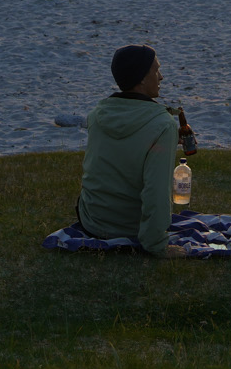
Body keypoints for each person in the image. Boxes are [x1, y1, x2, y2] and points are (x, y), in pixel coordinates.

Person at [76, 44, 187, 257]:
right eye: (156, 70)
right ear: (142, 78)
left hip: (91, 222)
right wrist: (157, 244)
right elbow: (156, 191)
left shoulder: (97, 114)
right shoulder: (163, 124)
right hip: (130, 228)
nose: (161, 77)